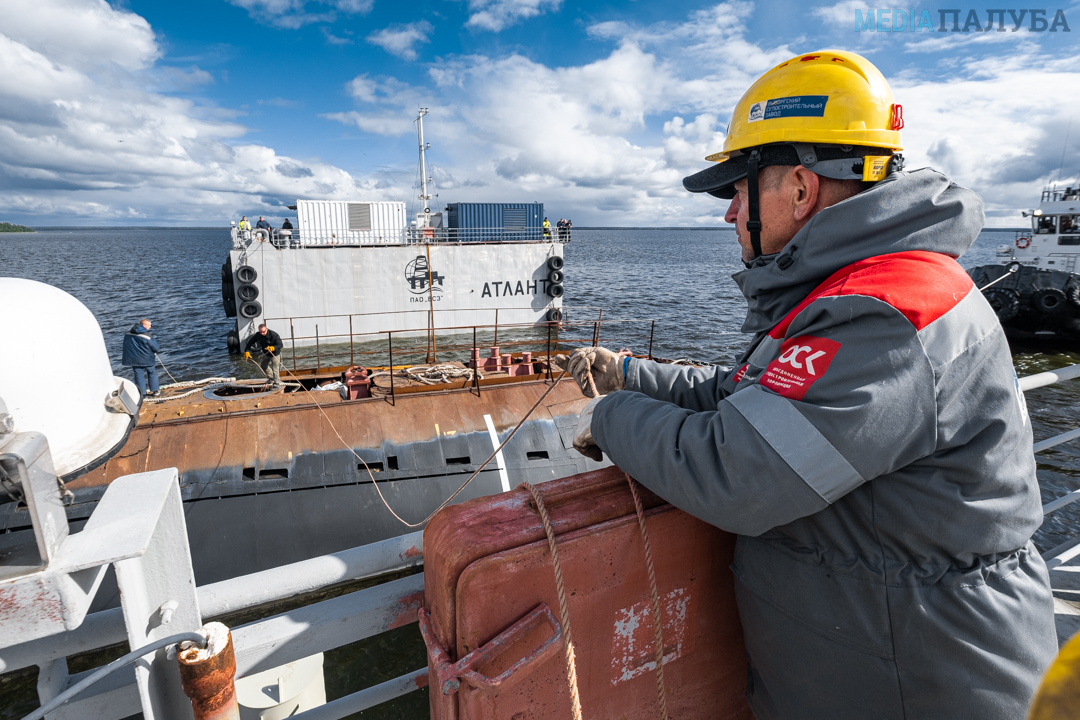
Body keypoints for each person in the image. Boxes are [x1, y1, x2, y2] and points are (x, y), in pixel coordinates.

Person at [564, 50, 1056, 719]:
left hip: (921, 680)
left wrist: (614, 416)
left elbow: (736, 471)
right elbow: (749, 394)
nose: (729, 214)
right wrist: (631, 373)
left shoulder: (882, 315)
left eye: (738, 190)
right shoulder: (858, 291)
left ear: (799, 188)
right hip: (885, 659)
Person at [121, 318, 160, 397]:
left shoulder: (128, 334)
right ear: (144, 325)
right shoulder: (148, 336)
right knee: (151, 373)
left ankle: (142, 394)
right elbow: (156, 347)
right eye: (149, 325)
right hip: (147, 358)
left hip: (134, 359)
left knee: (138, 375)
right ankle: (155, 391)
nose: (150, 327)